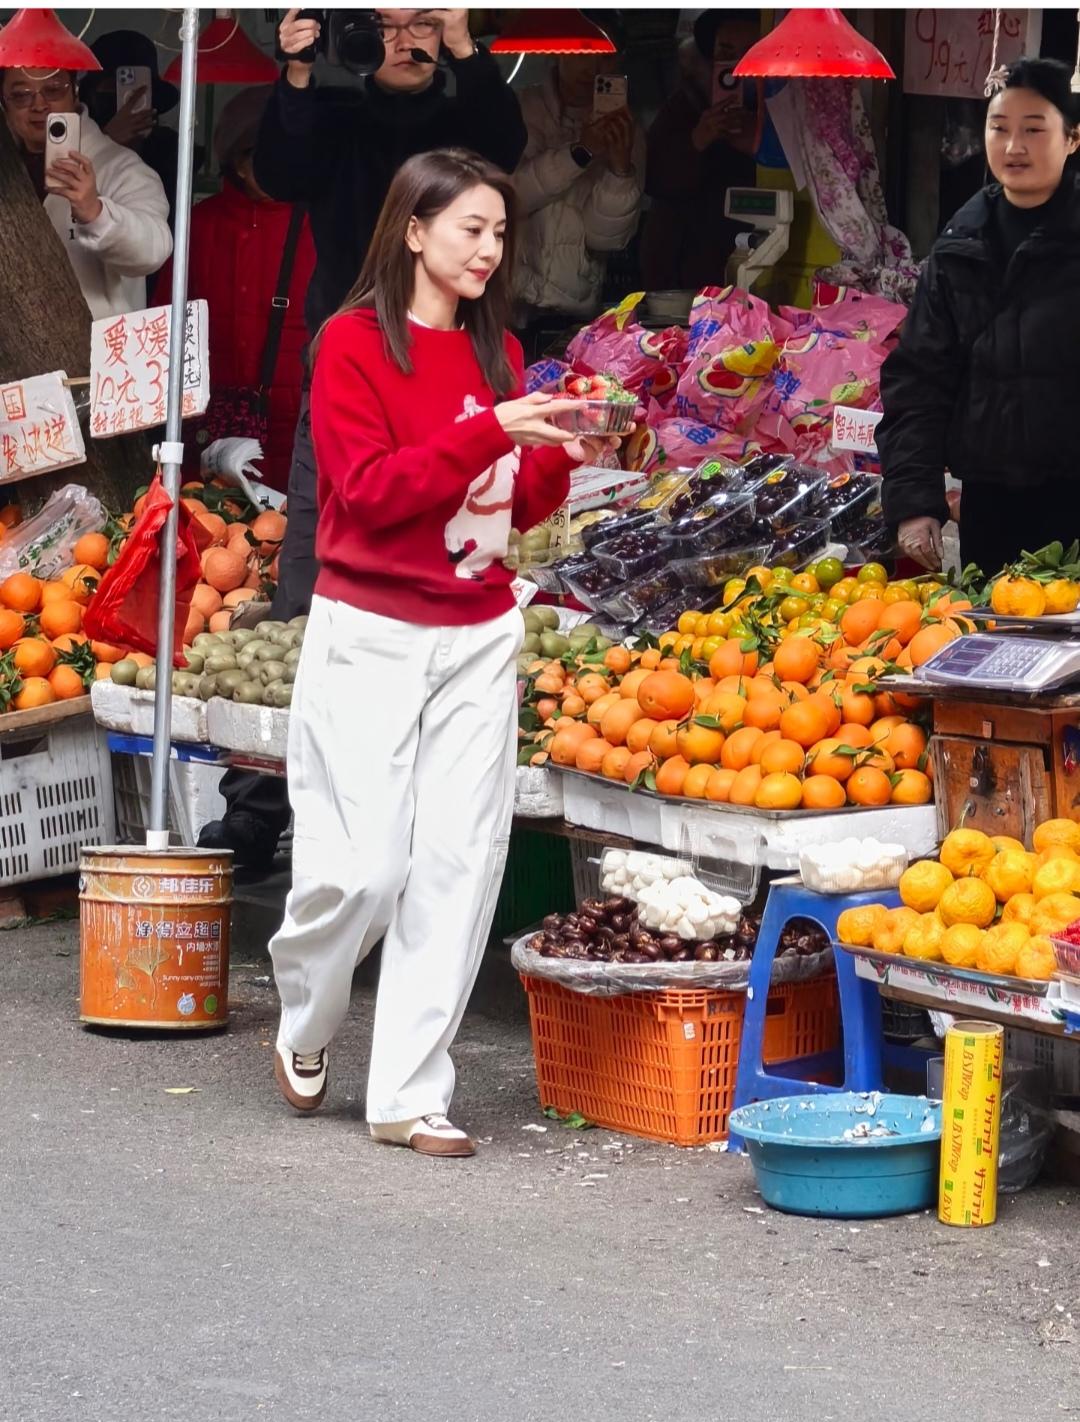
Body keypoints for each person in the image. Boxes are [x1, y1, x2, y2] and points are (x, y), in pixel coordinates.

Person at [269, 149, 614, 1156]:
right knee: (365, 870)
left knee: (460, 869)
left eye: (499, 232)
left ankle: (410, 1097)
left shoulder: (494, 352)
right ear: (413, 230)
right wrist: (492, 430)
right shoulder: (350, 345)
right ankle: (307, 1016)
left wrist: (562, 453)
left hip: (478, 630)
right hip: (370, 627)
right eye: (472, 228)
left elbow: (507, 506)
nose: (489, 248)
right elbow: (368, 493)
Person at [199, 7, 528, 868]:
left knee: (453, 568)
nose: (405, 40)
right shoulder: (337, 117)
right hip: (350, 370)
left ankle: (414, 810)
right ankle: (264, 803)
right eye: (384, 26)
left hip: (457, 370)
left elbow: (506, 142)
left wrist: (465, 42)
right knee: (312, 573)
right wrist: (299, 72)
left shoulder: (462, 125)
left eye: (422, 24)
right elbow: (281, 166)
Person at [878, 57, 1080, 577]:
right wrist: (915, 502)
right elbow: (920, 380)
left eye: (1034, 130)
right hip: (991, 511)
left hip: (1074, 499)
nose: (1014, 147)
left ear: (1073, 139)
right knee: (996, 641)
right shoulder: (958, 248)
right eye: (1000, 128)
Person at [152, 87, 316, 492]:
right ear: (237, 164)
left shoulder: (324, 225)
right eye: (266, 153)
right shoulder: (200, 224)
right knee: (212, 533)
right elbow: (164, 323)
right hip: (212, 423)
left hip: (300, 421)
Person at [0, 65, 172, 319]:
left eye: (53, 90)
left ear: (75, 92)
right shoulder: (7, 167)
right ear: (4, 101)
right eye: (22, 94)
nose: (39, 105)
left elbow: (153, 250)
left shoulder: (121, 167)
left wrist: (95, 213)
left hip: (95, 348)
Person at [513, 49, 644, 331]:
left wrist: (619, 171)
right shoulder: (520, 108)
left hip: (572, 311)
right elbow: (510, 198)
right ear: (559, 52)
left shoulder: (627, 129)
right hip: (506, 300)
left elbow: (605, 239)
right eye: (582, 53)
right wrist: (579, 153)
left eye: (606, 57)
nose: (592, 67)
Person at [639, 12, 760, 291]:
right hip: (684, 276)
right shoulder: (685, 106)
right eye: (726, 51)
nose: (738, 66)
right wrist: (697, 140)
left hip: (759, 266)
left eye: (750, 53)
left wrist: (759, 143)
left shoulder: (783, 108)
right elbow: (652, 179)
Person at [79, 30, 183, 243]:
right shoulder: (70, 143)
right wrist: (105, 144)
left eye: (132, 87)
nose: (123, 97)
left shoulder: (174, 150)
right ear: (92, 94)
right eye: (111, 86)